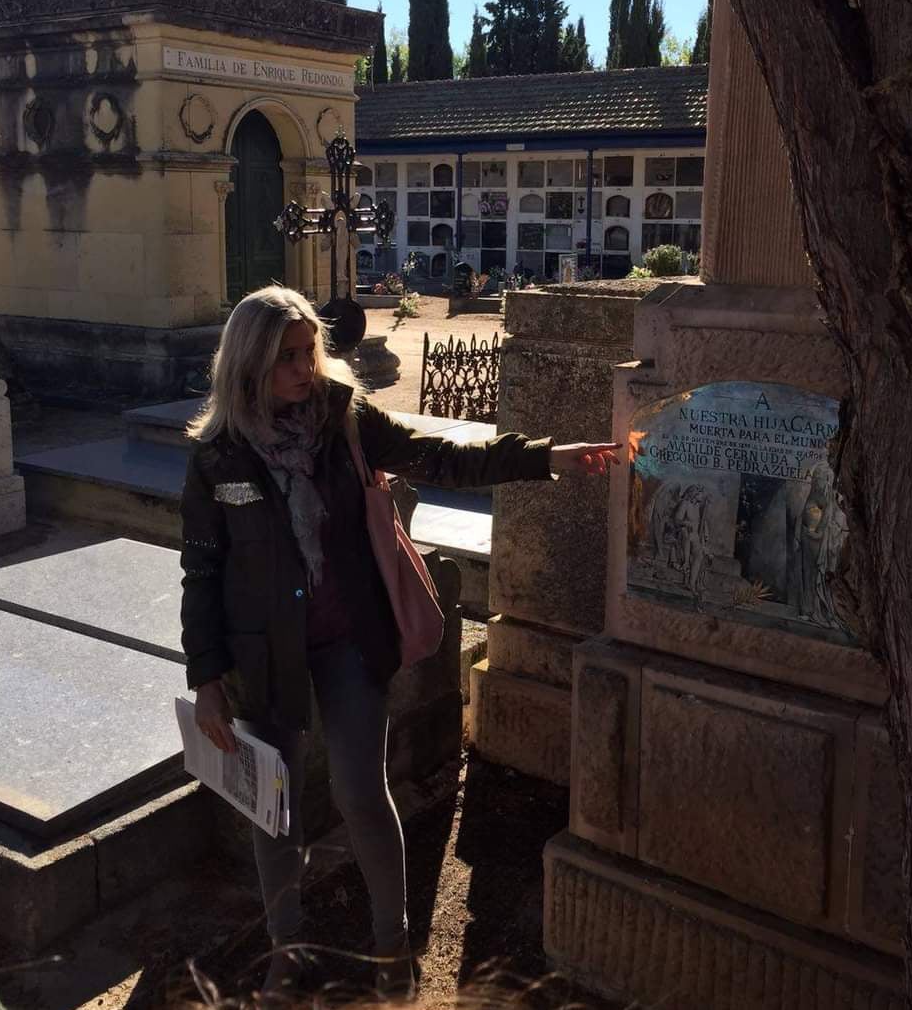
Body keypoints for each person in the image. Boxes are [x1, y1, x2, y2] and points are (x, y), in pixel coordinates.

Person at [179, 286, 618, 1002]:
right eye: (285, 358)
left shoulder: (343, 420)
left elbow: (439, 456)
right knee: (274, 809)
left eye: (308, 352)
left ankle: (393, 949)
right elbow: (201, 570)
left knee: (360, 792)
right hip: (261, 657)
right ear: (249, 364)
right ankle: (285, 952)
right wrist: (206, 680)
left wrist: (547, 457)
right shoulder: (217, 457)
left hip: (352, 641)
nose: (303, 369)